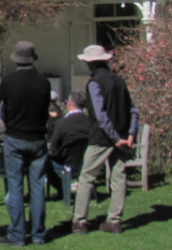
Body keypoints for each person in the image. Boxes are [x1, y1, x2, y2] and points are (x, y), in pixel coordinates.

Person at [72, 45, 138, 235]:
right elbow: (133, 109)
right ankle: (114, 221)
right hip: (122, 137)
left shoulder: (94, 83)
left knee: (86, 178)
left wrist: (115, 138)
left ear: (89, 63)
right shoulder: (119, 81)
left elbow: (101, 116)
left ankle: (79, 221)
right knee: (119, 178)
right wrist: (130, 133)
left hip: (103, 138)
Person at [0, 41, 51, 247]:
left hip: (15, 138)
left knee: (16, 187)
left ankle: (17, 234)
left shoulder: (9, 82)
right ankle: (38, 234)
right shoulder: (44, 83)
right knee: (37, 187)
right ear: (32, 59)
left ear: (17, 60)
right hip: (37, 138)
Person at [47, 91, 90, 195]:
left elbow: (53, 148)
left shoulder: (62, 123)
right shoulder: (90, 122)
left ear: (69, 103)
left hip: (66, 163)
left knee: (45, 162)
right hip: (86, 162)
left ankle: (61, 189)